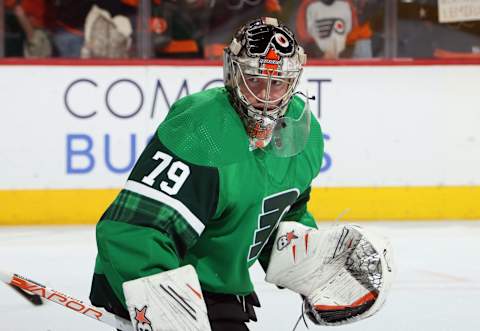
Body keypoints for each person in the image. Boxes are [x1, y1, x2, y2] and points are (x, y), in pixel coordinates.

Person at [89, 17, 391, 330]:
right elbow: (134, 230)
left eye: (279, 82)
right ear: (233, 73)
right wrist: (163, 304)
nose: (266, 95)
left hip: (222, 289)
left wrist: (309, 257)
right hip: (156, 285)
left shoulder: (304, 136)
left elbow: (281, 214)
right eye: (255, 79)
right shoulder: (201, 131)